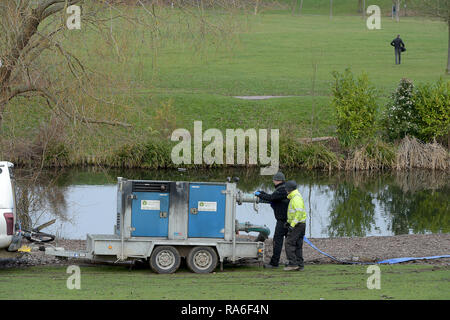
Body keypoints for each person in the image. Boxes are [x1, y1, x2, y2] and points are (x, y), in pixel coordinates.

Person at [254, 171, 289, 268]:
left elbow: (272, 197)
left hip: (283, 221)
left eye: (274, 180)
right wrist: (262, 193)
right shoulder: (283, 188)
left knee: (278, 241)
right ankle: (292, 261)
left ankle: (275, 263)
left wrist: (259, 194)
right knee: (289, 242)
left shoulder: (282, 190)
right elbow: (273, 197)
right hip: (287, 220)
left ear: (277, 180)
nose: (273, 182)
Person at [283, 180, 307, 271]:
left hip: (297, 225)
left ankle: (293, 264)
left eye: (286, 188)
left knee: (289, 243)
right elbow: (295, 213)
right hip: (301, 224)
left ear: (289, 189)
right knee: (298, 244)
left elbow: (299, 213)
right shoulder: (295, 197)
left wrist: (292, 225)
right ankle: (300, 265)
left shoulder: (296, 198)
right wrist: (288, 222)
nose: (285, 190)